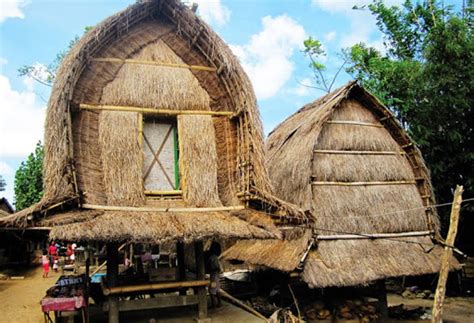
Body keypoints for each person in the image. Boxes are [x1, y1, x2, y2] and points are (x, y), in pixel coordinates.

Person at [207, 241, 222, 308]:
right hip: (217, 277)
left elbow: (214, 267)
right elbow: (219, 268)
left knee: (212, 290)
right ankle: (219, 303)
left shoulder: (212, 257)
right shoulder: (216, 257)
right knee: (217, 290)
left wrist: (210, 269)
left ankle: (214, 304)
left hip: (213, 277)